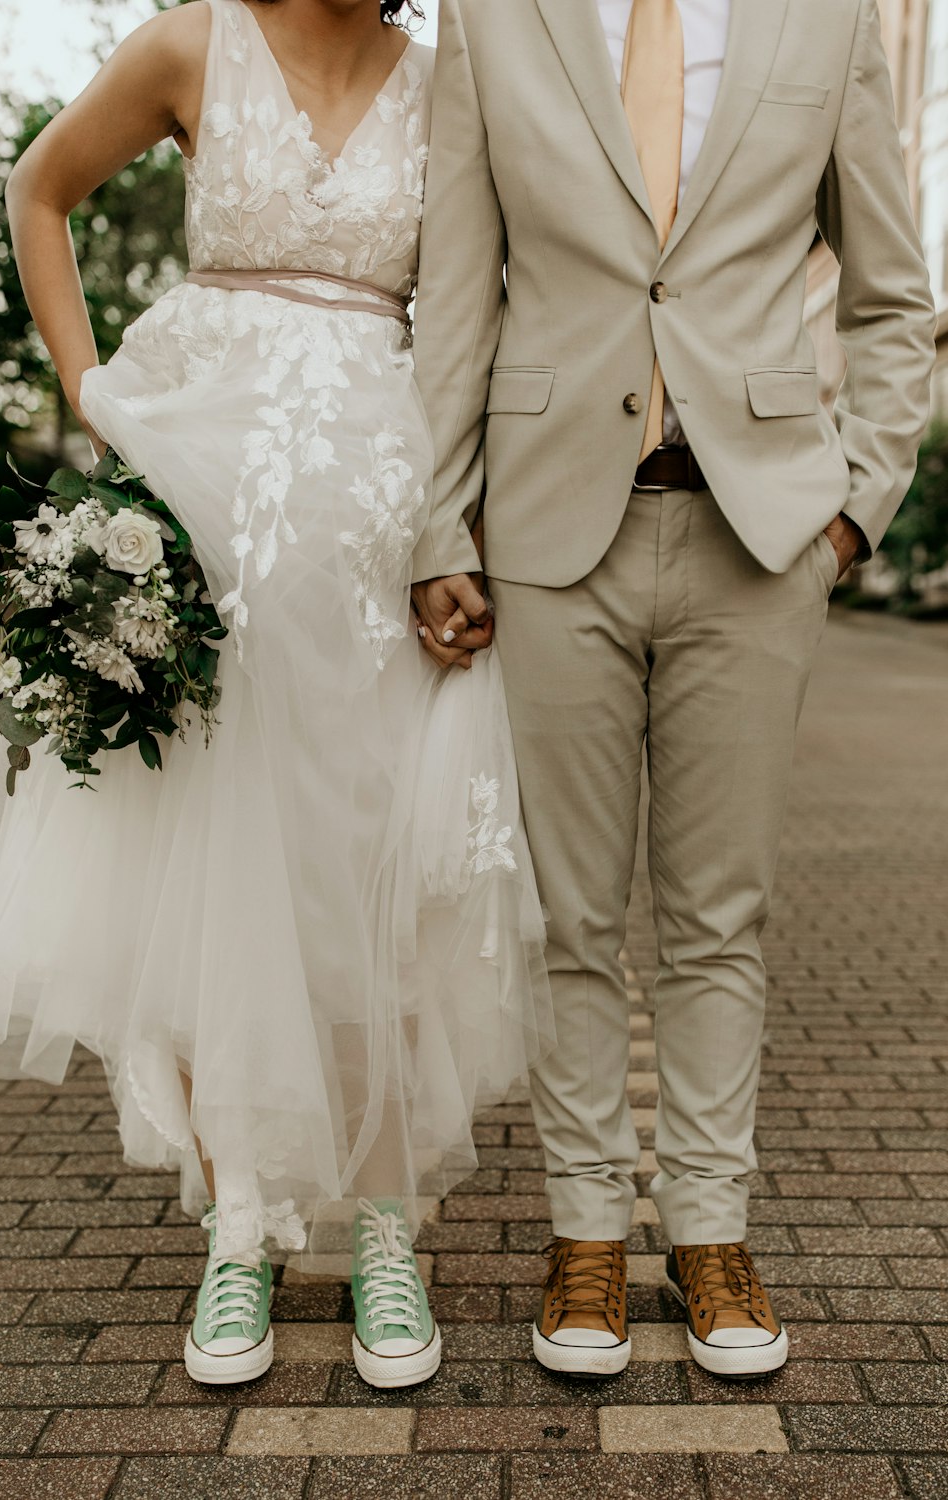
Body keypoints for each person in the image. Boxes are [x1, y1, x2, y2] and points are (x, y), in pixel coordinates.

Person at [0, 0, 552, 1391]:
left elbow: (484, 301)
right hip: (211, 511)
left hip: (389, 530)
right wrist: (92, 390)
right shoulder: (185, 45)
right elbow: (37, 189)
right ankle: (242, 1223)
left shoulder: (450, 77)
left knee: (377, 858)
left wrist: (463, 526)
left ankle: (388, 1221)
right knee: (225, 854)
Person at [411, 0, 936, 1380]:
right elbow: (460, 294)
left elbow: (893, 299)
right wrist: (437, 527)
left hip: (759, 536)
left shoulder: (828, 22)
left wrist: (856, 510)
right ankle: (584, 1234)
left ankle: (711, 1230)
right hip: (545, 533)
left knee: (720, 915)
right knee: (572, 916)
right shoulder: (491, 17)